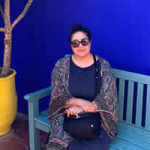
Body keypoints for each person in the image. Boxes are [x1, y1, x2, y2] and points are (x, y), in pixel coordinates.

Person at [46, 24, 118, 150]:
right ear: (71, 46)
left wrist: (83, 109)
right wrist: (79, 102)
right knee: (58, 144)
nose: (80, 46)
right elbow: (57, 96)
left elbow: (108, 97)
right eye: (75, 43)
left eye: (84, 42)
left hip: (96, 119)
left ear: (90, 42)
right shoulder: (62, 66)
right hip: (67, 115)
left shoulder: (103, 66)